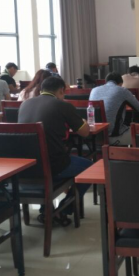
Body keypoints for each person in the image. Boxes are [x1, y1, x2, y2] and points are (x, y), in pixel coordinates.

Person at [18, 77, 92, 219]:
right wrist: (83, 121)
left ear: (41, 89)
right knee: (90, 168)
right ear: (61, 90)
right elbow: (85, 132)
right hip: (53, 165)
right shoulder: (63, 105)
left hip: (27, 166)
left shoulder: (25, 104)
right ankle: (64, 209)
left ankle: (46, 208)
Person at [90, 72, 139, 146]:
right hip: (113, 136)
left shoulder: (94, 90)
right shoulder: (122, 90)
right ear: (120, 83)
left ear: (106, 81)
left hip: (95, 137)